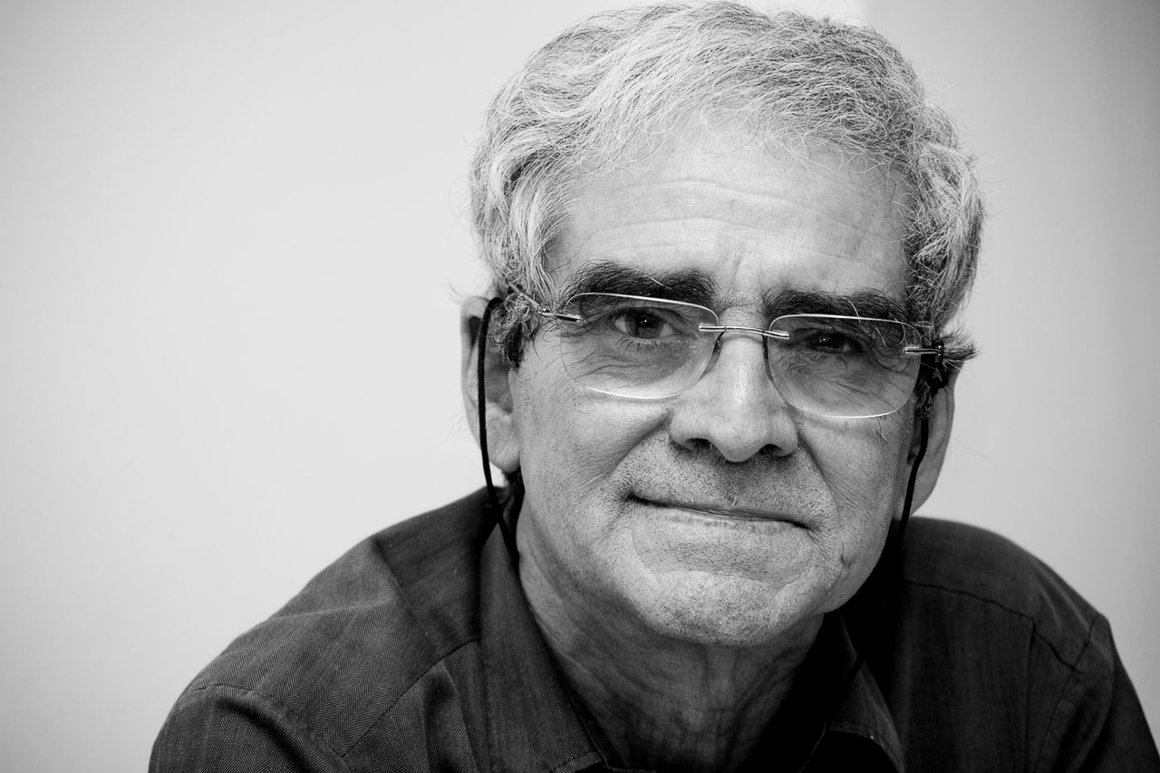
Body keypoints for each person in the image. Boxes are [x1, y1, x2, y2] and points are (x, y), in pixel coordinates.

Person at [150, 3, 1159, 771]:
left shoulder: (1031, 667)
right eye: (640, 324)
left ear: (923, 430)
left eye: (831, 340)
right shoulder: (295, 739)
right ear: (499, 380)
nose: (738, 423)